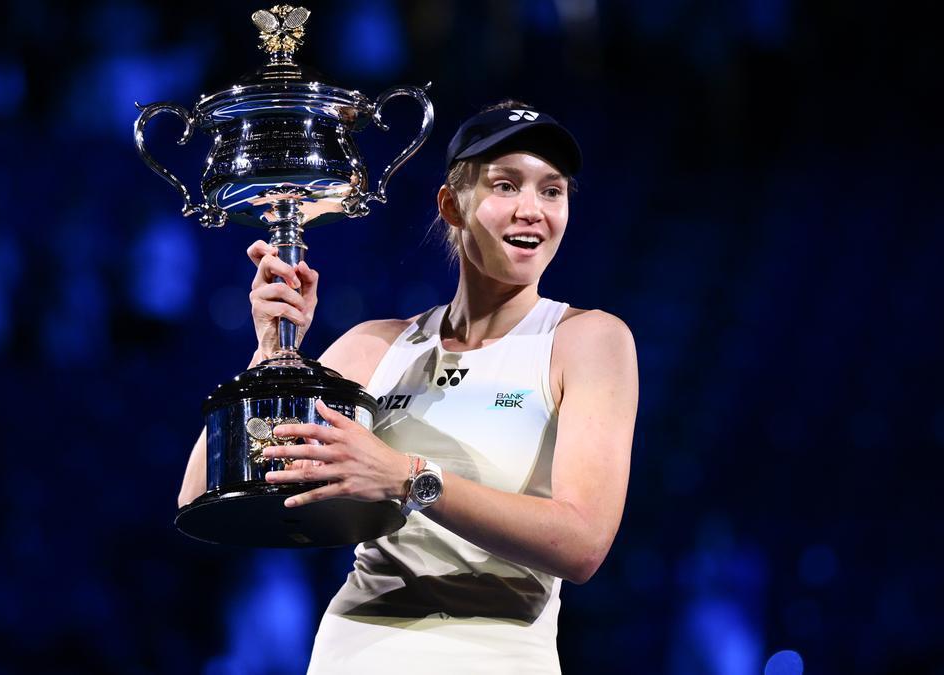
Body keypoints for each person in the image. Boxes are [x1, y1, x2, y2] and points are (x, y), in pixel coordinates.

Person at [177, 100, 638, 674]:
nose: (532, 210)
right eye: (505, 185)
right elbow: (200, 493)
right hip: (356, 652)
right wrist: (271, 355)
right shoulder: (375, 346)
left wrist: (408, 476)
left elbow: (583, 544)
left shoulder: (587, 340)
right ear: (452, 205)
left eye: (552, 190)